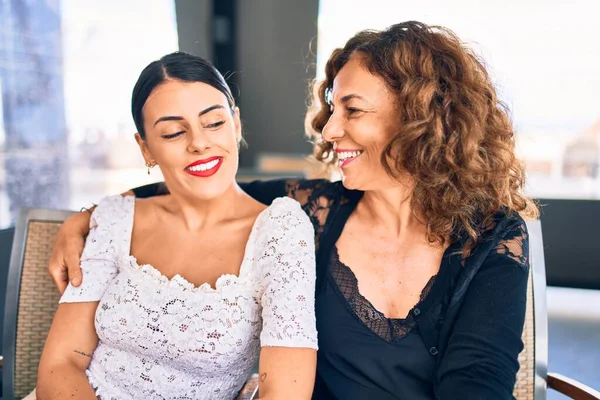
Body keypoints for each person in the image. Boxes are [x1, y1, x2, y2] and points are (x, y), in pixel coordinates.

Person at [49, 21, 537, 399]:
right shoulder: (314, 209)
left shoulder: (493, 236)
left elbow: (478, 378)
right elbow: (204, 182)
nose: (329, 130)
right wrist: (91, 216)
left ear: (418, 116)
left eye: (353, 110)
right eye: (332, 107)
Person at [37, 52, 318, 400]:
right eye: (172, 132)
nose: (199, 142)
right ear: (146, 150)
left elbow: (285, 393)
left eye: (214, 123)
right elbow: (60, 365)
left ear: (237, 124)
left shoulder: (281, 231)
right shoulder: (115, 219)